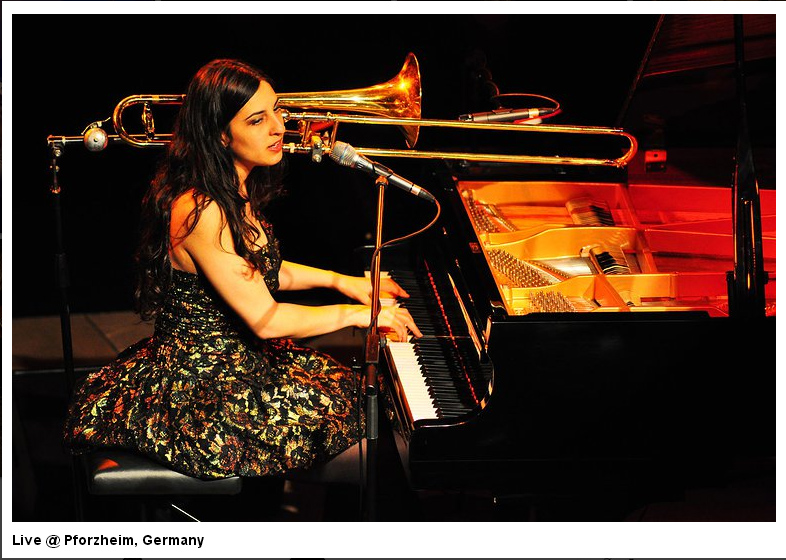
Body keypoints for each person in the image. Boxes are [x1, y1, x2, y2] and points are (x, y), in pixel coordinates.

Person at [63, 58, 421, 480]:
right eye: (257, 120)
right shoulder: (200, 209)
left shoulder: (230, 188)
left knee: (366, 413)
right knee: (374, 439)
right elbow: (267, 320)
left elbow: (260, 272)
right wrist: (362, 315)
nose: (279, 127)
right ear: (220, 134)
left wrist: (344, 283)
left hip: (240, 362)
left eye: (277, 111)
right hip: (201, 388)